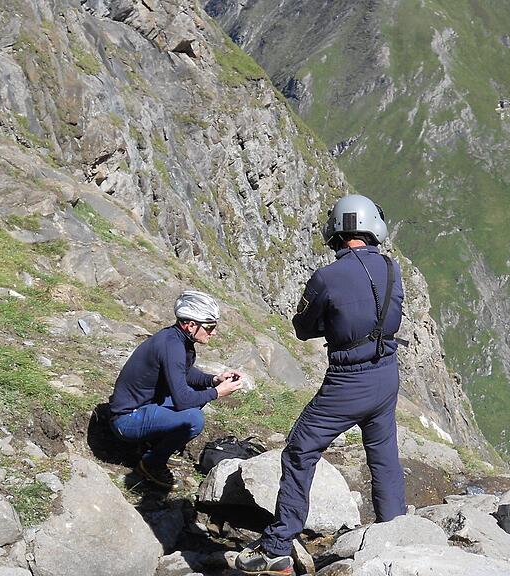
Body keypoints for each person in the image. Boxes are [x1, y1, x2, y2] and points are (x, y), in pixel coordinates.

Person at [236, 195, 406, 575]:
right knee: (383, 454)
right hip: (387, 374)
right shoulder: (392, 269)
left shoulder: (327, 277)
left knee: (299, 450)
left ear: (338, 230)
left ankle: (277, 546)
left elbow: (303, 328)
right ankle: (396, 536)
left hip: (348, 381)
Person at [108, 290, 242, 489]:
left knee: (198, 399)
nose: (214, 332)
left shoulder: (177, 339)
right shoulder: (172, 346)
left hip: (142, 406)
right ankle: (151, 463)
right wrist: (218, 392)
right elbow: (183, 400)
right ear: (190, 325)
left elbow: (184, 373)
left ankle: (154, 444)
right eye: (210, 327)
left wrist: (214, 380)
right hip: (126, 419)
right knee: (193, 419)